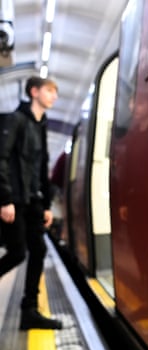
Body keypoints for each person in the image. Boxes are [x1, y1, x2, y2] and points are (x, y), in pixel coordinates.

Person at [0, 76, 62, 330]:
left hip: (33, 201)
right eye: (49, 91)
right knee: (17, 253)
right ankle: (29, 310)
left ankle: (30, 311)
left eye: (55, 93)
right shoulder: (15, 120)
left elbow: (41, 169)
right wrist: (5, 199)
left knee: (39, 250)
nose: (54, 96)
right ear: (34, 91)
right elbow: (1, 158)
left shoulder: (41, 125)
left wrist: (47, 205)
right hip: (15, 199)